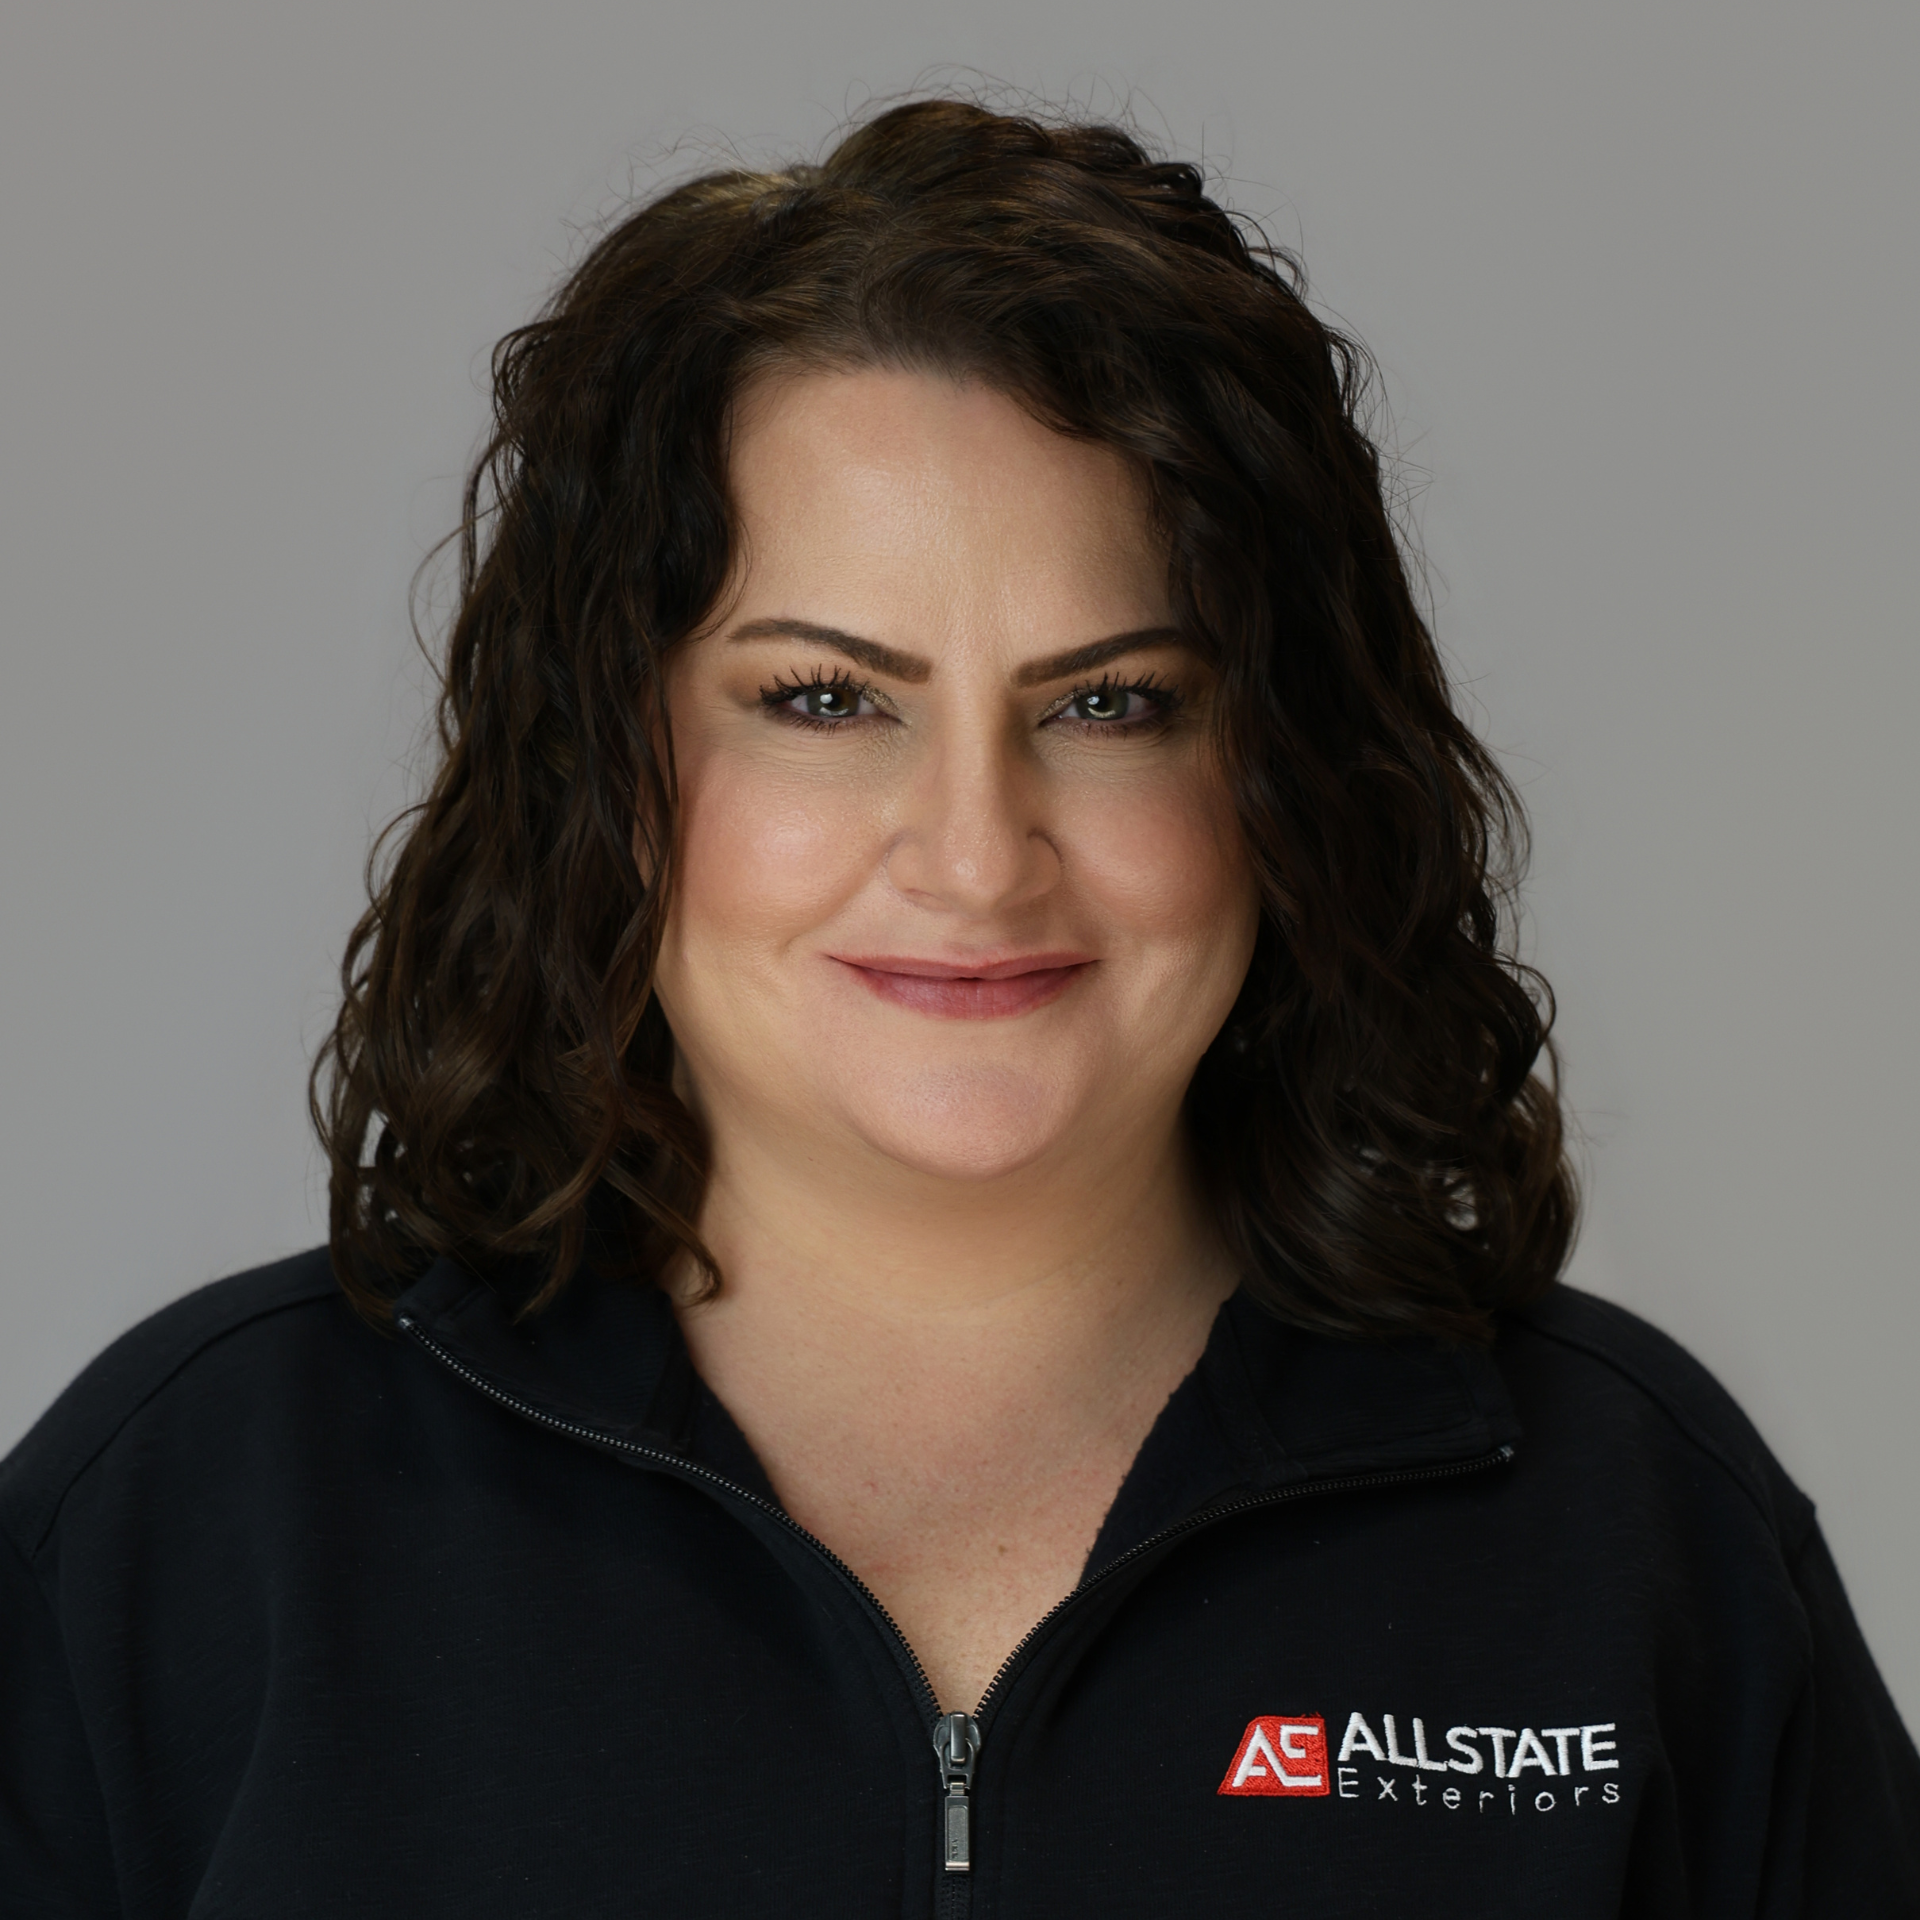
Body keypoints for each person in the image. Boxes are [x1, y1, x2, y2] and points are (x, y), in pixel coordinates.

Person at [1, 97, 1914, 1918]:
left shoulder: (1631, 1541)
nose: (979, 854)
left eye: (1113, 703)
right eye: (826, 700)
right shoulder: (192, 1531)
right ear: (614, 768)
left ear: (1285, 775)